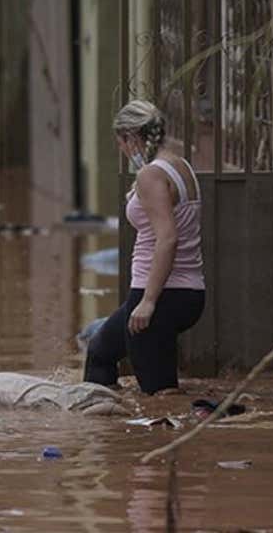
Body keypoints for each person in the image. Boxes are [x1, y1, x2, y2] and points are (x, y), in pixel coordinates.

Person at [84, 100, 205, 395]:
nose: (122, 152)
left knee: (160, 397)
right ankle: (113, 432)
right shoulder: (180, 165)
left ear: (132, 137)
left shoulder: (150, 175)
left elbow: (168, 238)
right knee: (100, 352)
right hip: (185, 292)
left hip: (161, 294)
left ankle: (157, 438)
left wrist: (149, 301)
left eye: (121, 144)